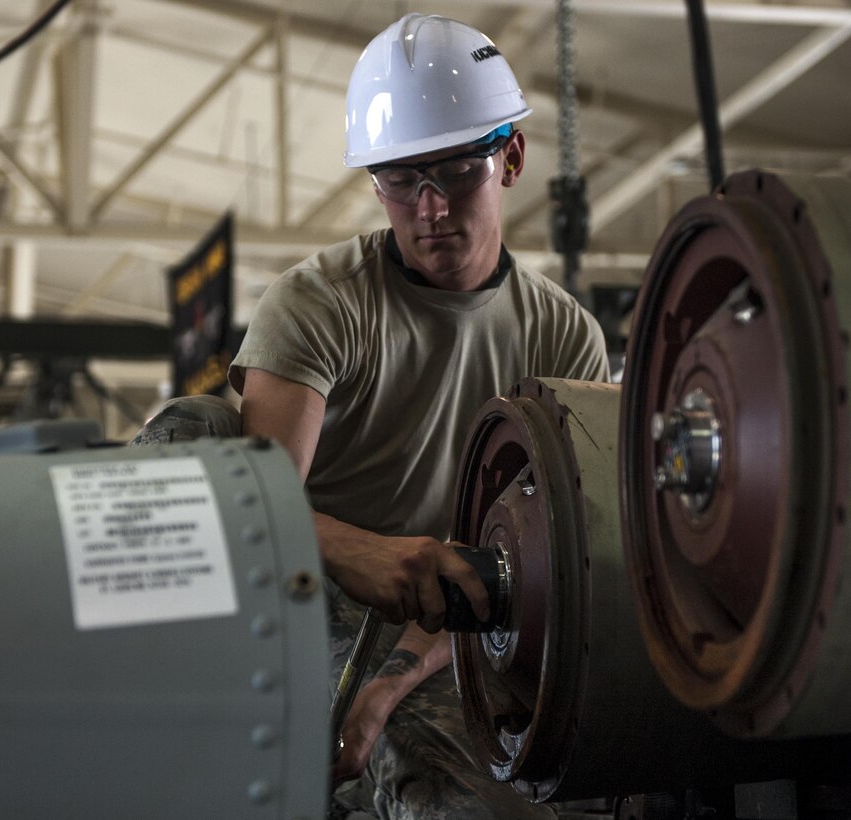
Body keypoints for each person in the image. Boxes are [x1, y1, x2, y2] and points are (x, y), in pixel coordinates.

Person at [134, 12, 609, 819]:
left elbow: (531, 569)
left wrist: (378, 696)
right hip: (294, 588)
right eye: (398, 178)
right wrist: (361, 551)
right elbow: (257, 509)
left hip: (452, 626)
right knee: (191, 436)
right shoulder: (319, 303)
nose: (426, 206)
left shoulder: (562, 338)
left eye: (456, 170)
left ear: (511, 158)